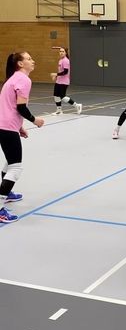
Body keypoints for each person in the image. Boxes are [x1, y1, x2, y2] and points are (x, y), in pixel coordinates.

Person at [0, 52, 44, 223]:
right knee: (16, 168)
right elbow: (20, 107)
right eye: (29, 58)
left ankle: (7, 193)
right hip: (7, 127)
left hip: (5, 125)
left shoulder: (13, 78)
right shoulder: (23, 79)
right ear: (20, 63)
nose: (33, 61)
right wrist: (35, 120)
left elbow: (8, 106)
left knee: (10, 162)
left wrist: (19, 126)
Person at [51, 47, 82, 115]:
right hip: (59, 81)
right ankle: (59, 110)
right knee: (56, 95)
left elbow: (65, 72)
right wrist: (56, 76)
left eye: (63, 51)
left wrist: (56, 74)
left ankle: (77, 105)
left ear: (66, 53)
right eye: (60, 51)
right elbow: (60, 71)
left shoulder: (66, 61)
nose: (61, 52)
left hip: (64, 82)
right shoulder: (60, 60)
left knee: (62, 96)